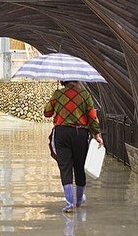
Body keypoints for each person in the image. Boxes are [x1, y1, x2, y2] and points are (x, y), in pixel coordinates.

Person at [44, 80, 103, 212]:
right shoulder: (85, 94)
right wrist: (97, 134)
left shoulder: (58, 94)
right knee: (79, 166)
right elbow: (92, 117)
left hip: (62, 133)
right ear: (77, 81)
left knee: (65, 166)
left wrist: (56, 100)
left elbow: (46, 113)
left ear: (63, 81)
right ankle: (79, 199)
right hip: (80, 134)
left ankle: (69, 203)